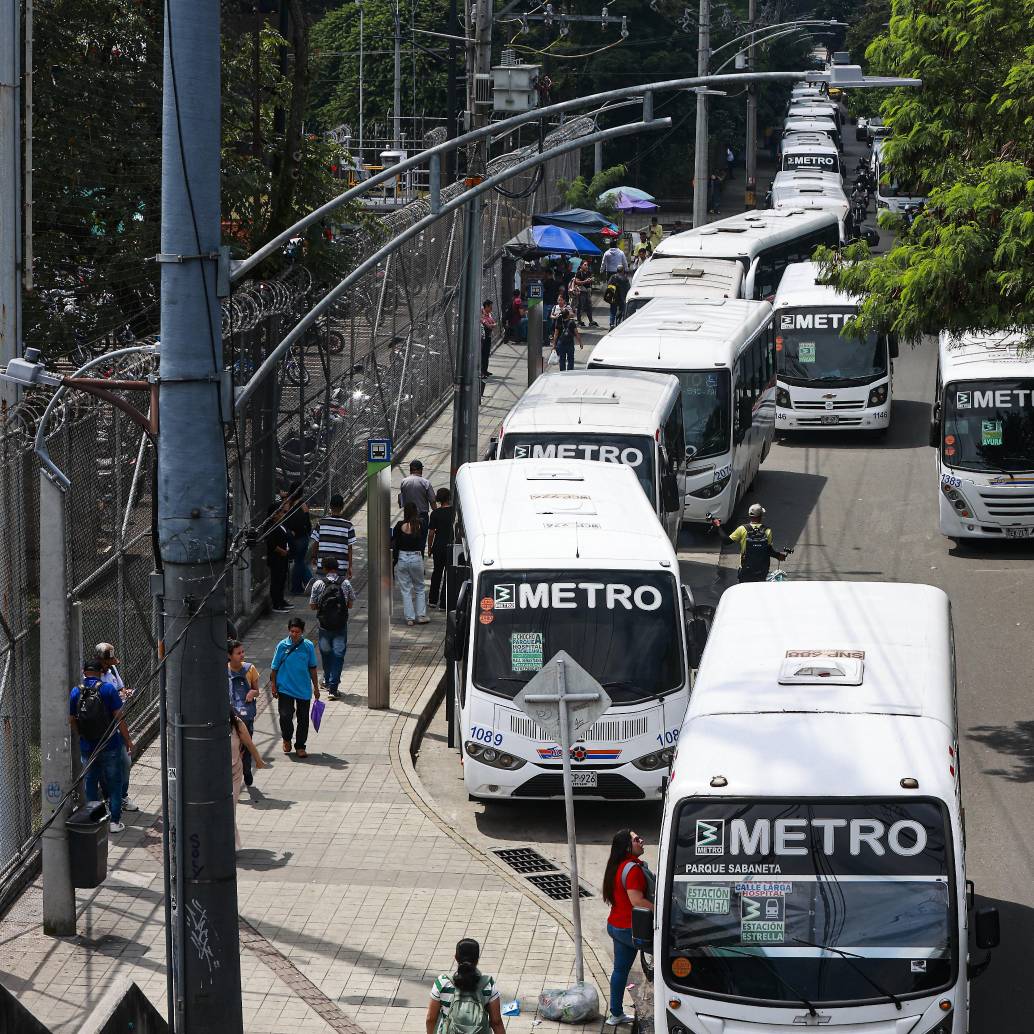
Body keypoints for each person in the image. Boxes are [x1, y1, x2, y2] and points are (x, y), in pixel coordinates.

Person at [69, 659, 133, 834]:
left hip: (87, 746)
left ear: (84, 672)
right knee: (115, 782)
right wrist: (127, 740)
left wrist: (81, 733)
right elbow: (119, 717)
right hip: (110, 743)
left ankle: (94, 818)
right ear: (100, 673)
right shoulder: (108, 689)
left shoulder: (76, 691)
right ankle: (114, 822)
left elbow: (72, 719)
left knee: (91, 782)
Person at [601, 829, 653, 1026]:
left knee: (620, 971)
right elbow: (637, 901)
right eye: (637, 839)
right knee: (668, 957)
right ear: (628, 846)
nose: (642, 841)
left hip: (616, 926)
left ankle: (615, 1014)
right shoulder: (633, 870)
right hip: (630, 930)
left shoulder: (617, 866)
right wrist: (663, 911)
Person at [425, 937, 505, 1034]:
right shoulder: (488, 984)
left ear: (456, 957)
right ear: (477, 959)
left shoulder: (443, 982)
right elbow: (496, 1022)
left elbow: (431, 1019)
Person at [95, 642, 139, 816]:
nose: (110, 666)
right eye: (107, 662)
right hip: (102, 727)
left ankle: (122, 796)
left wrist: (125, 693)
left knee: (125, 762)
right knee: (106, 766)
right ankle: (108, 798)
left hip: (117, 724)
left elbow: (120, 688)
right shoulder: (93, 675)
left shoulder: (112, 671)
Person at [270, 617, 320, 757]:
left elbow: (312, 668)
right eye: (292, 631)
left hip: (303, 688)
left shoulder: (308, 646)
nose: (294, 634)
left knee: (303, 718)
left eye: (297, 632)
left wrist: (316, 687)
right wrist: (273, 686)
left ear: (302, 631)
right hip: (285, 687)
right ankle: (287, 738)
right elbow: (274, 668)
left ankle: (300, 746)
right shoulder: (282, 646)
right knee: (285, 715)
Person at [308, 557, 356, 698]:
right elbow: (351, 604)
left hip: (324, 626)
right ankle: (333, 689)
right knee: (338, 656)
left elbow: (312, 606)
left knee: (326, 654)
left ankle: (327, 681)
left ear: (324, 569)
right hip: (340, 626)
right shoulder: (345, 583)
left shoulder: (318, 584)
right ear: (337, 567)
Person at [711, 502, 792, 583]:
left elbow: (726, 541)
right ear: (761, 516)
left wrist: (718, 526)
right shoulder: (767, 531)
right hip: (762, 572)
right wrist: (778, 556)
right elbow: (769, 550)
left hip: (746, 571)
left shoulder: (742, 529)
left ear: (750, 516)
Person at [229, 711, 266, 849]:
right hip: (216, 775)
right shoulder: (209, 725)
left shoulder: (237, 723)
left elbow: (249, 744)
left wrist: (258, 761)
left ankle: (231, 846)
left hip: (234, 773)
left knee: (229, 809)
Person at [227, 639, 261, 786]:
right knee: (232, 746)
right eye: (238, 653)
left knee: (246, 745)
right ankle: (233, 776)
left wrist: (252, 693)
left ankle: (246, 771)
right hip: (230, 716)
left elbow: (257, 690)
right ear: (229, 655)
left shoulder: (250, 669)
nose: (242, 655)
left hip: (246, 716)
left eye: (242, 652)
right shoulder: (223, 670)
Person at [393, 502, 429, 626]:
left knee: (405, 589)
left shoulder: (399, 525)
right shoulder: (421, 525)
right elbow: (423, 540)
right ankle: (421, 615)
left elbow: (395, 544)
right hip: (416, 557)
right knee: (419, 587)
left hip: (402, 557)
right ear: (416, 512)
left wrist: (394, 561)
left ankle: (409, 618)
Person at [310, 493, 356, 579]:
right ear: (342, 506)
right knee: (338, 591)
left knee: (322, 589)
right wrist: (350, 567)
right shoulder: (348, 526)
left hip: (323, 567)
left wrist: (313, 557)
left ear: (330, 506)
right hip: (340, 568)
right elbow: (349, 549)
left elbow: (316, 543)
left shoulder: (321, 523)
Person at [280, 482, 313, 595]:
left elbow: (283, 518)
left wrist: (284, 497)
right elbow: (307, 524)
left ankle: (309, 583)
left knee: (299, 562)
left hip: (290, 537)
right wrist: (307, 513)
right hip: (302, 537)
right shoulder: (303, 505)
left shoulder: (287, 503)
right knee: (299, 562)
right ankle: (298, 587)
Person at [399, 459, 437, 548]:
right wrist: (437, 513)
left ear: (410, 470)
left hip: (408, 515)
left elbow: (401, 500)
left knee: (408, 539)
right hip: (422, 516)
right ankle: (419, 558)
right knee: (421, 540)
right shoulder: (425, 482)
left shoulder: (404, 481)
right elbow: (432, 501)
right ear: (420, 470)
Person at [427, 487, 454, 610]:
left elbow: (431, 533)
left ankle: (433, 600)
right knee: (449, 575)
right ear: (449, 498)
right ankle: (444, 603)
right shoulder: (454, 512)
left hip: (438, 546)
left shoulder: (435, 513)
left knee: (437, 573)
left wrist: (429, 547)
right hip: (451, 547)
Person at [265, 502, 292, 613]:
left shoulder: (280, 524)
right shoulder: (270, 527)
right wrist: (282, 551)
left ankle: (281, 600)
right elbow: (271, 544)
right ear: (274, 514)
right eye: (280, 512)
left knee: (282, 580)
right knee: (276, 580)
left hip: (283, 557)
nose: (282, 514)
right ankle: (276, 604)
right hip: (276, 558)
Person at [551, 304, 581, 371]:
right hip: (570, 343)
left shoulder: (558, 322)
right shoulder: (572, 322)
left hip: (560, 343)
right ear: (568, 315)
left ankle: (562, 372)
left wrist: (554, 345)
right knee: (571, 359)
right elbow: (576, 333)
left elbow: (556, 334)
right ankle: (570, 372)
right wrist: (580, 342)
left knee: (562, 359)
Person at [572, 261, 597, 327]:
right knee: (580, 306)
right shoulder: (579, 273)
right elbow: (576, 282)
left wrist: (592, 279)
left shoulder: (588, 272)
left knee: (589, 306)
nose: (586, 266)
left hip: (588, 292)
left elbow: (593, 278)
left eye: (587, 265)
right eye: (585, 265)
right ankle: (579, 321)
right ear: (581, 266)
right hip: (581, 292)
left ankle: (591, 321)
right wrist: (585, 281)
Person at [479, 299, 496, 378]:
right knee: (483, 354)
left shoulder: (489, 314)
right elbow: (488, 325)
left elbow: (493, 322)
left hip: (488, 336)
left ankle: (485, 370)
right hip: (483, 338)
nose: (491, 309)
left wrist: (491, 324)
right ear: (486, 307)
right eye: (490, 307)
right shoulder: (482, 314)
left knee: (486, 354)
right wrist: (491, 325)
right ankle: (482, 371)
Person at [542, 269, 559, 341]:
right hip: (553, 304)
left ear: (547, 274)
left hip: (546, 303)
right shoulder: (555, 283)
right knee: (551, 320)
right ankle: (550, 334)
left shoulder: (545, 283)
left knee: (545, 320)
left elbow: (542, 291)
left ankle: (546, 336)